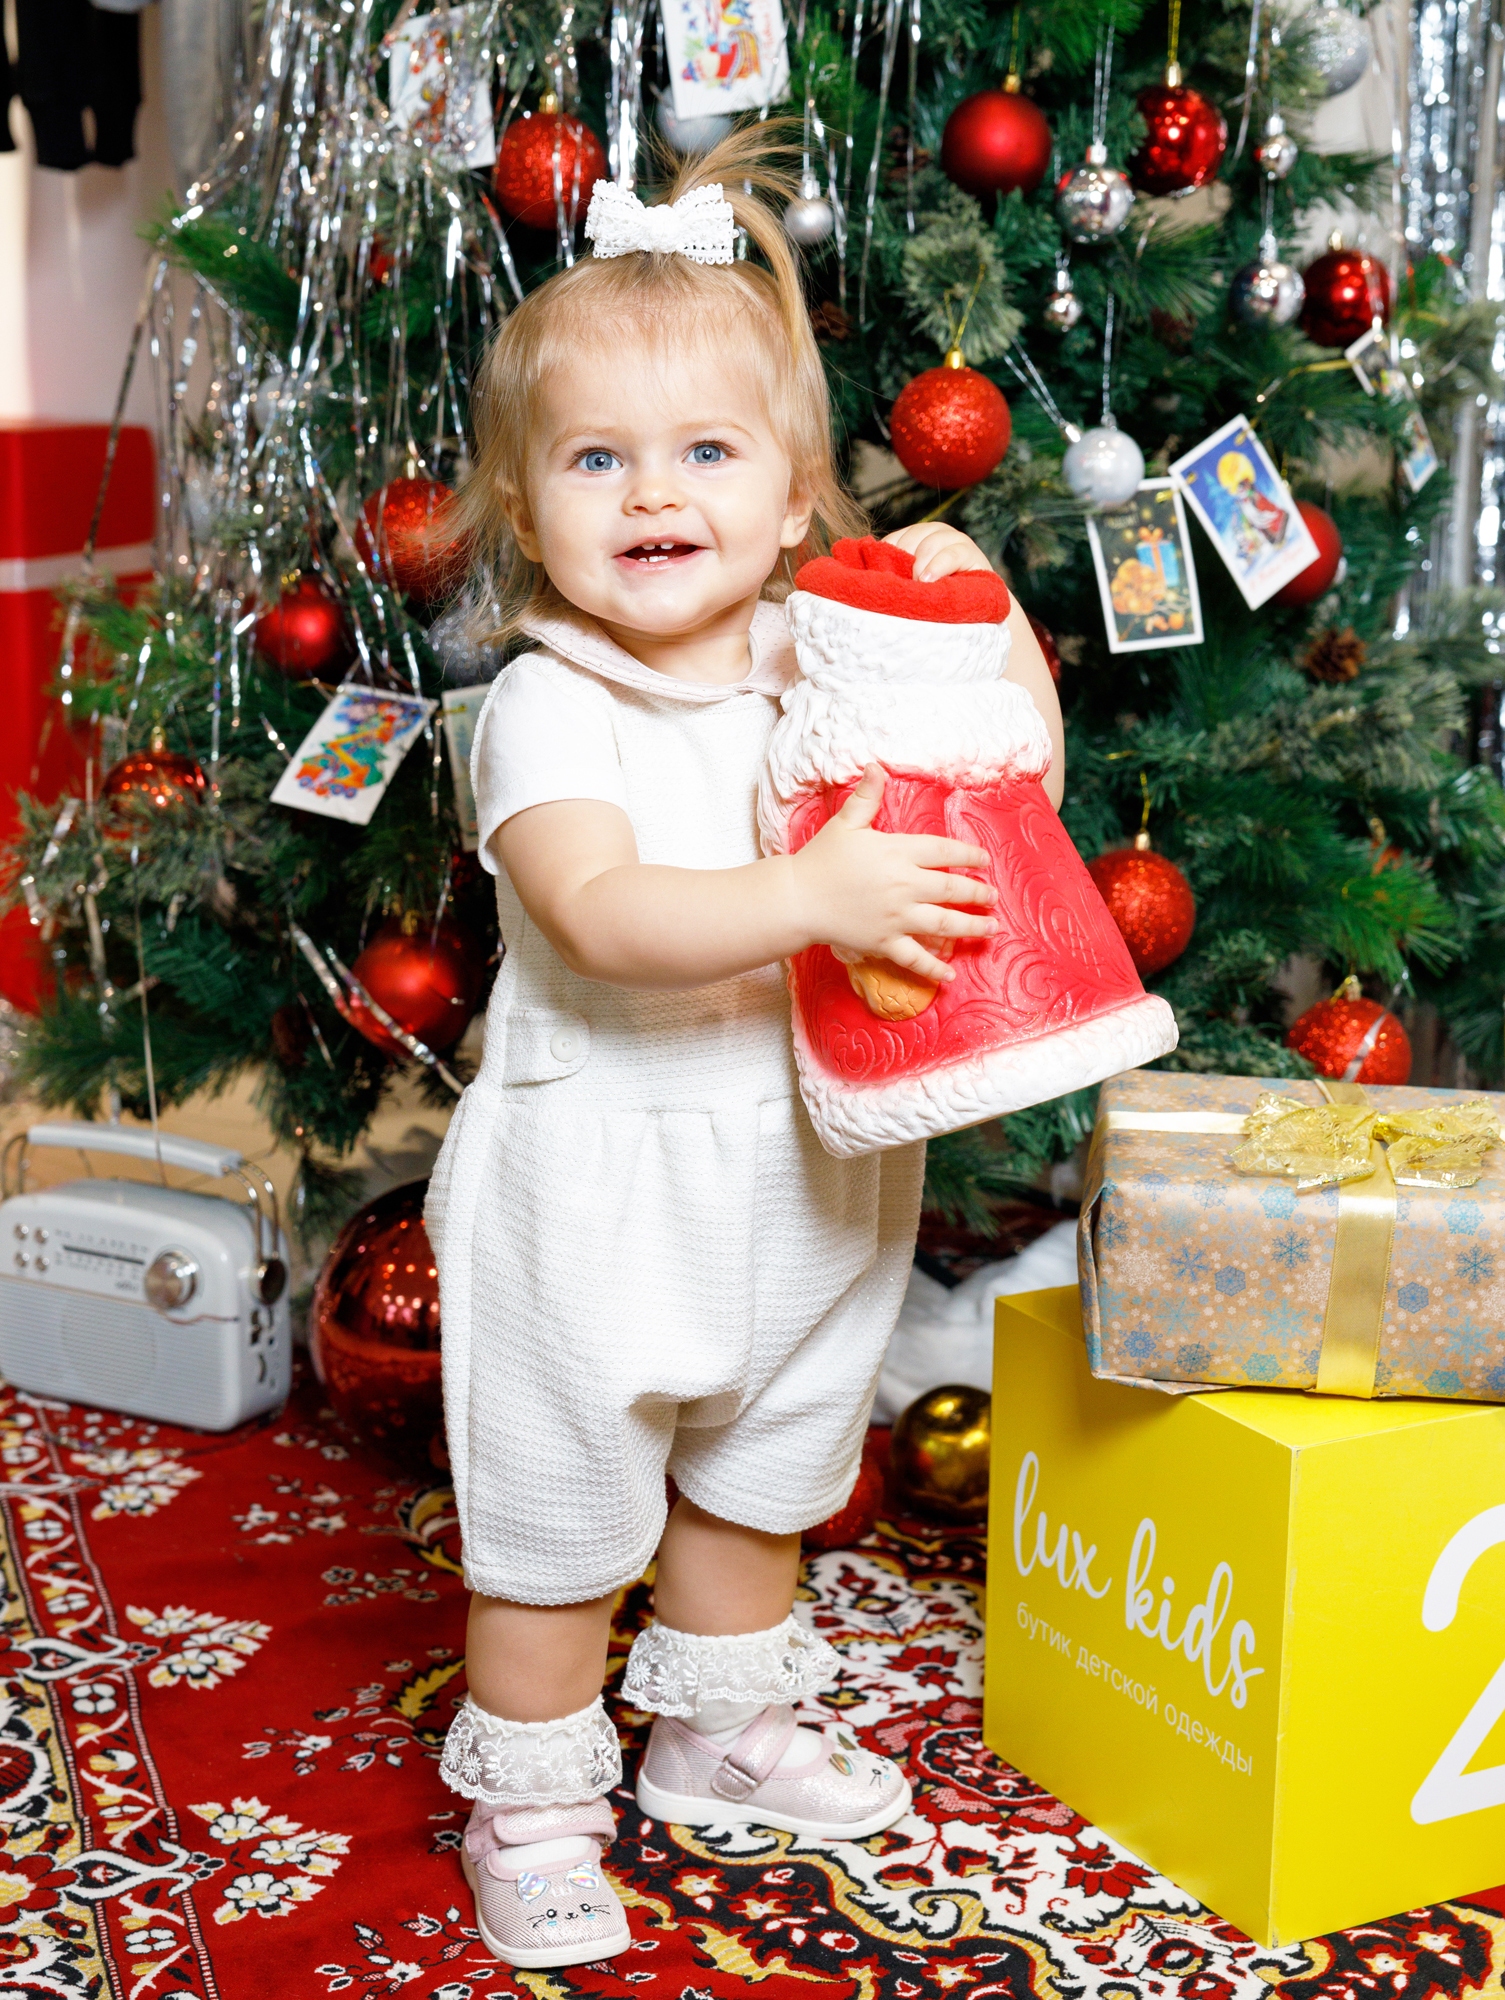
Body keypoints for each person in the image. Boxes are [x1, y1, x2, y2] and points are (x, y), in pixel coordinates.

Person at [424, 129, 1063, 1972]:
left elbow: (1013, 770)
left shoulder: (825, 653)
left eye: (706, 452)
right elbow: (600, 911)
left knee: (762, 1467)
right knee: (560, 1514)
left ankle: (714, 1733)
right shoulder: (547, 703)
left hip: (807, 1154)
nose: (652, 492)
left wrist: (986, 618)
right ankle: (533, 1803)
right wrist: (813, 896)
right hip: (595, 1181)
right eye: (596, 460)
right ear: (525, 504)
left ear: (794, 500)